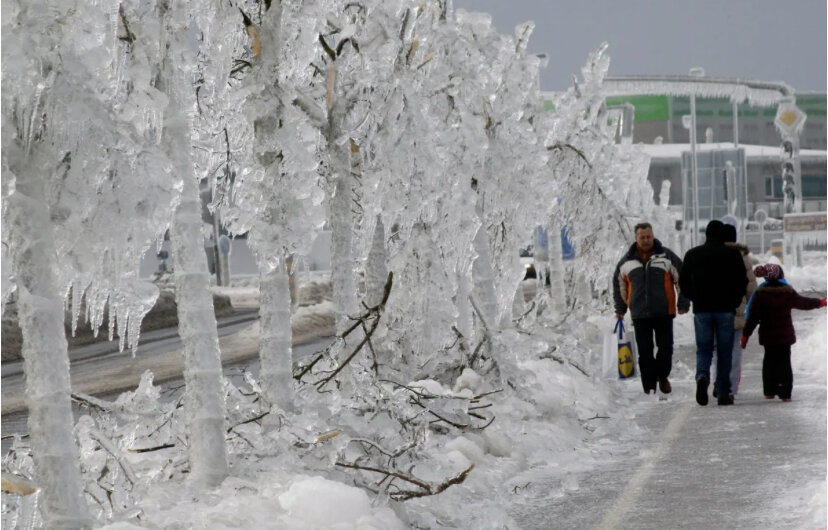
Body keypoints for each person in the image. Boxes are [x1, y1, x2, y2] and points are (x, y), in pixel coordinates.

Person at [613, 222, 689, 395]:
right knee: (645, 352)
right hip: (640, 314)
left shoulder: (666, 256)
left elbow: (682, 278)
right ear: (636, 238)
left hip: (664, 311)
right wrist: (620, 308)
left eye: (649, 236)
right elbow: (619, 286)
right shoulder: (627, 261)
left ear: (653, 235)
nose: (646, 240)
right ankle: (649, 387)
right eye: (643, 237)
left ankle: (662, 376)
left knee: (666, 348)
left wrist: (683, 303)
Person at [679, 220, 747, 406]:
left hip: (702, 310)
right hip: (725, 310)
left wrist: (693, 297)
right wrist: (733, 301)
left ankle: (702, 376)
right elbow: (742, 281)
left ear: (706, 235)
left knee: (704, 349)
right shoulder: (732, 254)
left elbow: (683, 281)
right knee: (725, 352)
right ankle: (723, 392)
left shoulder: (693, 255)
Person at [742, 263, 826, 402]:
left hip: (768, 336)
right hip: (784, 336)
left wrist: (746, 335)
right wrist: (820, 302)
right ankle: (785, 393)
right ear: (780, 275)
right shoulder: (787, 292)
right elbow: (803, 302)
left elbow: (753, 317)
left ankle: (769, 391)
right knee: (784, 363)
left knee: (769, 362)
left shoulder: (760, 294)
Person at [710, 223, 757, 401]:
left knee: (716, 349)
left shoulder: (714, 255)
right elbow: (752, 287)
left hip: (715, 308)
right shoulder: (743, 258)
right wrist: (749, 306)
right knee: (735, 350)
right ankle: (729, 389)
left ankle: (718, 382)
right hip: (738, 310)